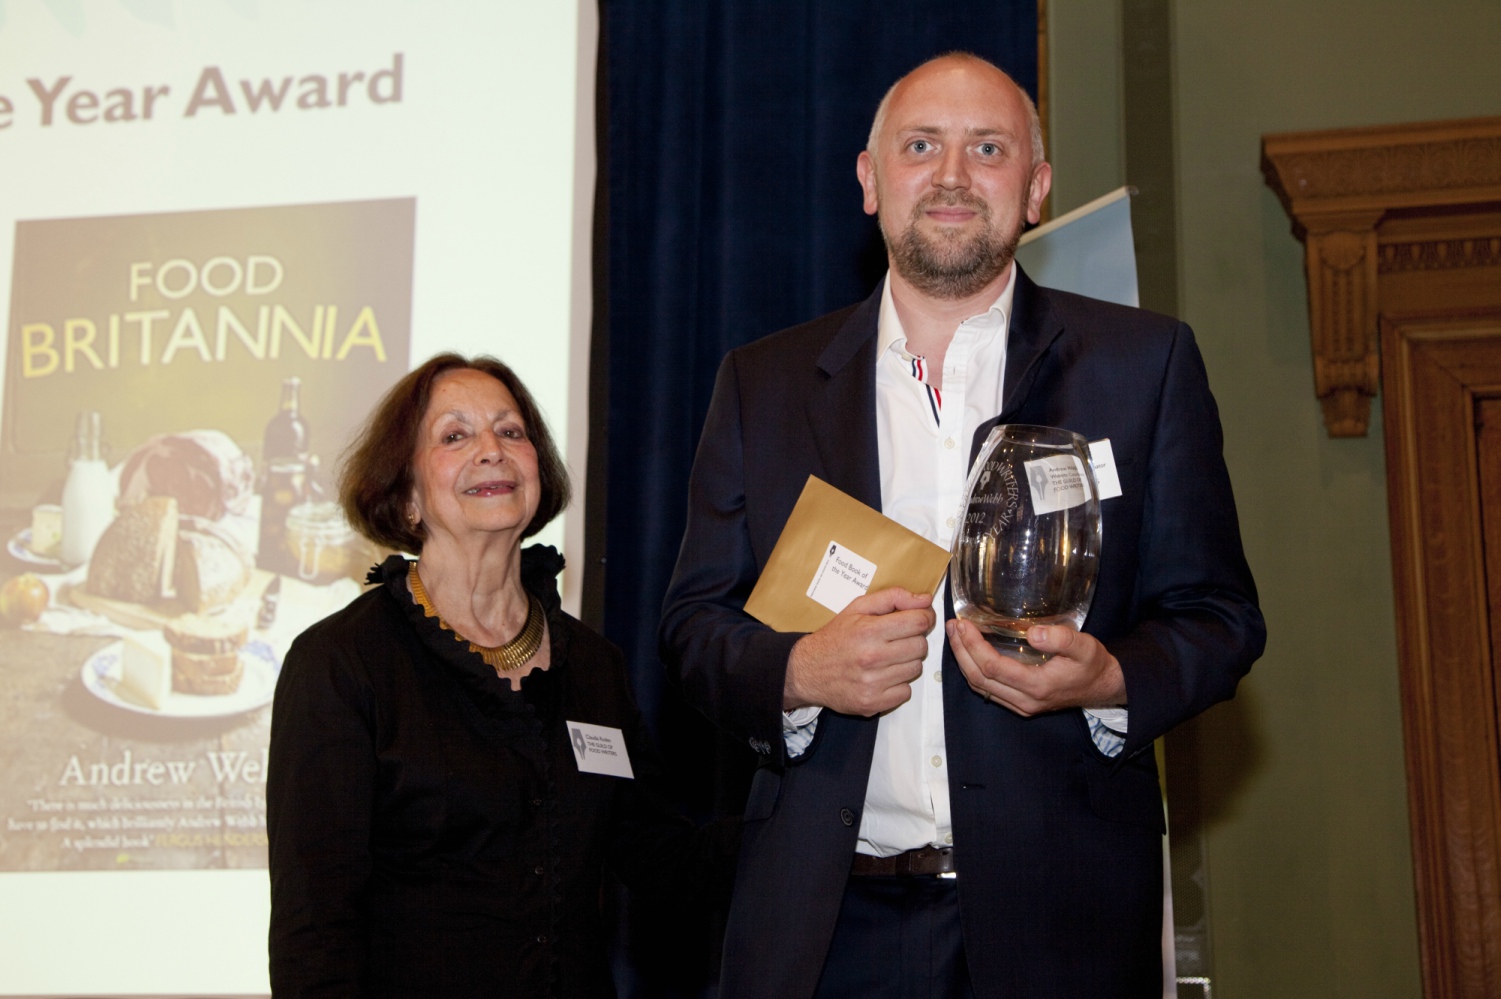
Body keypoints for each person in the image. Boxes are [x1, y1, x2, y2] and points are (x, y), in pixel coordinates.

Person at [659, 53, 1265, 999]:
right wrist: (798, 672)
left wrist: (1107, 679)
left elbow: (1218, 616)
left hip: (1063, 927)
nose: (949, 175)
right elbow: (694, 627)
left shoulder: (1141, 366)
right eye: (919, 146)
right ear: (869, 180)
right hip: (824, 929)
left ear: (1034, 187)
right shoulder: (763, 384)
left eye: (986, 148)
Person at [268, 353, 733, 998]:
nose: (492, 450)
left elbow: (664, 862)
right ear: (406, 497)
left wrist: (818, 757)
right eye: (455, 436)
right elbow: (314, 936)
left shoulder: (592, 666)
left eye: (511, 432)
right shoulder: (343, 664)